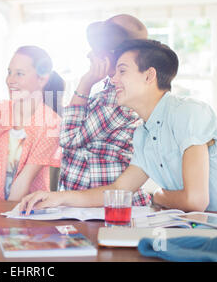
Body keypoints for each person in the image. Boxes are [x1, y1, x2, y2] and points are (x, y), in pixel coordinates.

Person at [20, 39, 217, 213]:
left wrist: (158, 195)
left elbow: (195, 200)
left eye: (122, 71)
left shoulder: (189, 112)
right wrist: (57, 197)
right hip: (202, 226)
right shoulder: (143, 134)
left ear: (149, 75)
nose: (113, 80)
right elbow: (118, 190)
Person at [59, 14, 151, 205]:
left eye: (95, 49)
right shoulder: (108, 91)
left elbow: (68, 138)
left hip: (110, 208)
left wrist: (85, 82)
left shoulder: (117, 100)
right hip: (91, 206)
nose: (89, 55)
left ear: (107, 55)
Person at [0, 45, 65, 201]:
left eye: (19, 74)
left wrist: (5, 216)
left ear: (42, 79)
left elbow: (24, 180)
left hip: (29, 209)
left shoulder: (52, 123)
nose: (10, 80)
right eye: (9, 72)